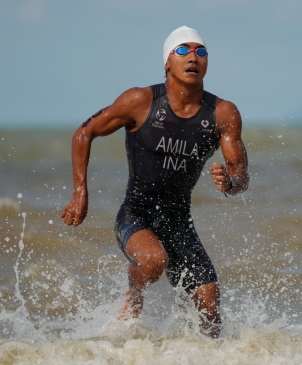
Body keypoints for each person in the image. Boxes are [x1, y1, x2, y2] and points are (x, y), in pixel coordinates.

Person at [60, 25, 249, 338]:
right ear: (167, 62)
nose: (193, 57)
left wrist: (230, 182)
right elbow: (84, 132)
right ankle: (134, 289)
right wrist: (80, 192)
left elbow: (241, 172)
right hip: (137, 214)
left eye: (200, 51)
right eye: (183, 51)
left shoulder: (223, 113)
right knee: (153, 260)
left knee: (211, 316)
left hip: (179, 222)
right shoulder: (140, 101)